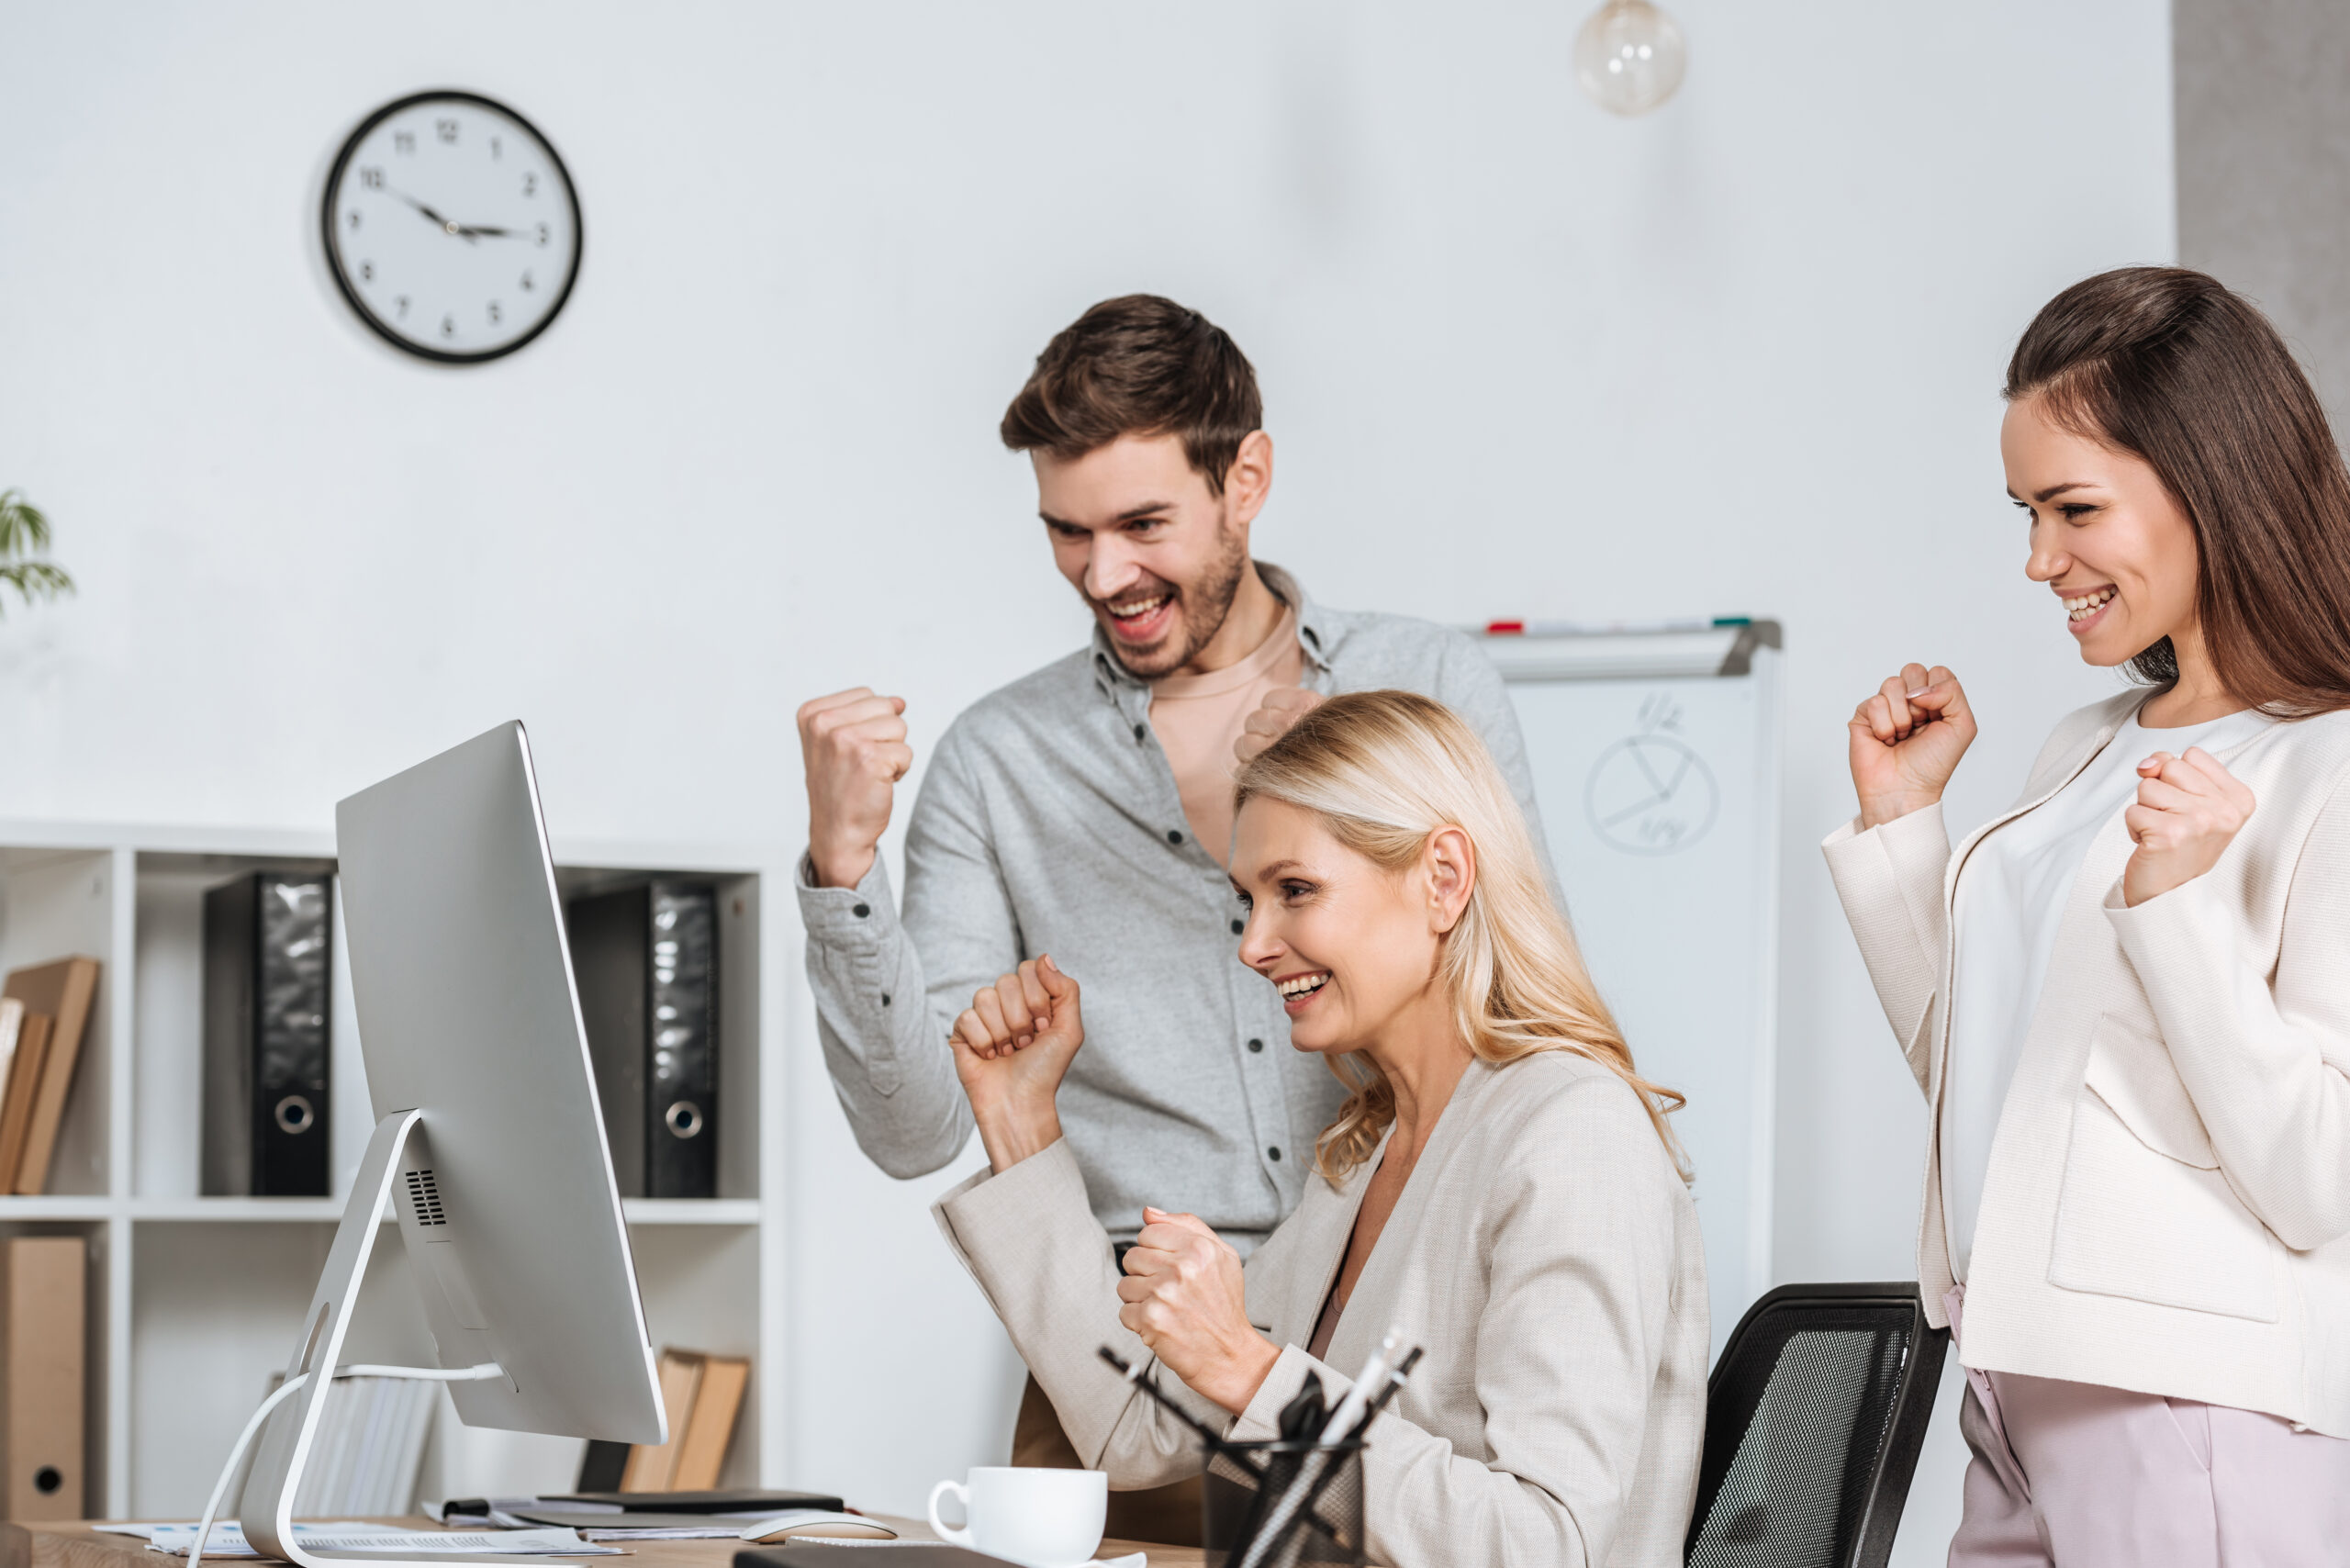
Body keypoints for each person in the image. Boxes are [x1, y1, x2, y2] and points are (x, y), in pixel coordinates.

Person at [795, 296, 1552, 1537]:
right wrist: (842, 873)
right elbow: (912, 1130)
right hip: (1116, 1385)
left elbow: (1519, 1010)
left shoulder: (1425, 689)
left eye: (1143, 524)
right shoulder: (1000, 759)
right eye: (1067, 532)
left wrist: (1351, 802)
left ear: (1244, 478)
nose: (1105, 576)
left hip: (1383, 1341)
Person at [1824, 266, 2350, 1564]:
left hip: (2191, 1397)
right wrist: (1905, 834)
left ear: (2208, 484)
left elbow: (2319, 1175)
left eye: (2073, 509)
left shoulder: (2327, 764)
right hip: (2015, 1372)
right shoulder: (2088, 745)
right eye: (2026, 512)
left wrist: (2180, 916)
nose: (2039, 561)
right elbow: (2007, 1075)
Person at [932, 690, 1706, 1568]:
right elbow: (1135, 1428)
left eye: (1295, 890)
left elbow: (1543, 1544)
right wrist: (1020, 1116)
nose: (1253, 943)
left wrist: (1248, 1367)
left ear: (1444, 879)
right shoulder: (1367, 1154)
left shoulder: (1573, 1134)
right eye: (1249, 899)